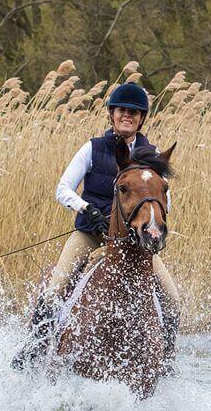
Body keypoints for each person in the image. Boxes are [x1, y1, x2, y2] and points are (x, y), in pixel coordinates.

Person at [11, 83, 180, 370]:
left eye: (134, 113)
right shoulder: (93, 148)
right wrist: (86, 209)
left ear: (142, 118)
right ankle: (34, 349)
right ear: (112, 114)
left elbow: (164, 200)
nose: (127, 116)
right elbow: (63, 188)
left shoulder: (152, 155)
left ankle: (165, 362)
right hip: (90, 234)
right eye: (122, 111)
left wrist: (150, 225)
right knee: (55, 287)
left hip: (135, 243)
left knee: (173, 299)